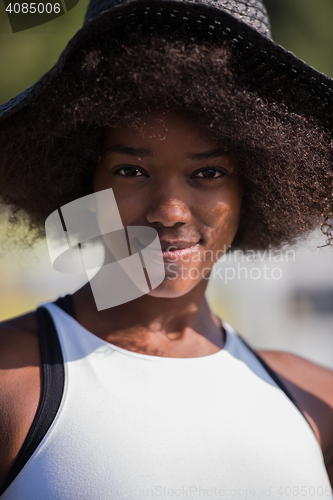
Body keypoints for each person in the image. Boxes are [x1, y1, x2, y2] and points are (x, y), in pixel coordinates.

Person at [0, 0, 333, 497]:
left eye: (209, 173)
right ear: (82, 182)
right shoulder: (13, 384)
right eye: (131, 170)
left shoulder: (316, 403)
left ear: (256, 186)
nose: (170, 210)